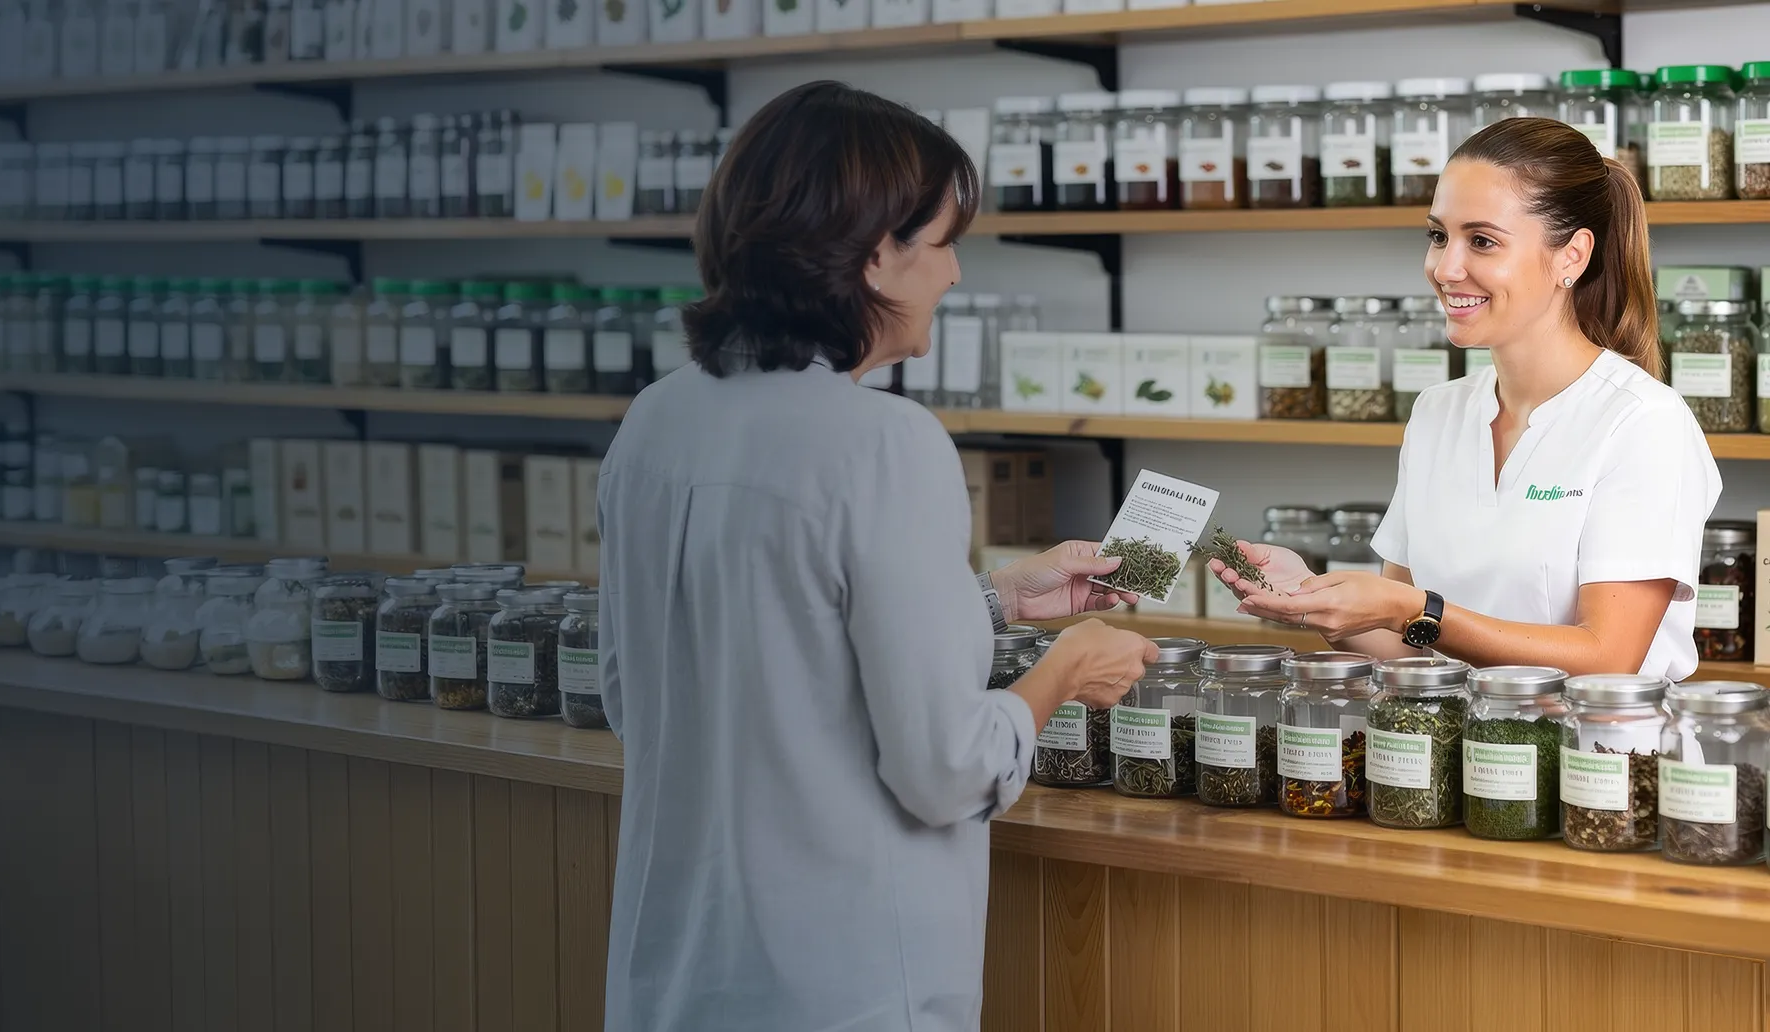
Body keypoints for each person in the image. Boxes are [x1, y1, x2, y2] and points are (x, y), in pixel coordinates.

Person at [594, 81, 1159, 1032]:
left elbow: (645, 689)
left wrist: (993, 601)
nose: (954, 274)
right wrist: (1064, 670)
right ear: (872, 255)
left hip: (681, 970)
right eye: (941, 242)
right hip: (841, 978)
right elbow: (943, 768)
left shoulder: (657, 420)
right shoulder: (885, 443)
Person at [1210, 116, 1719, 679]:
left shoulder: (1642, 422)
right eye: (1438, 236)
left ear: (1571, 256)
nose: (1445, 268)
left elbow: (1608, 657)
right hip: (1451, 733)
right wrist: (1312, 597)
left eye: (1482, 241)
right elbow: (1405, 646)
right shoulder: (1438, 412)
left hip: (1591, 738)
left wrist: (1414, 609)